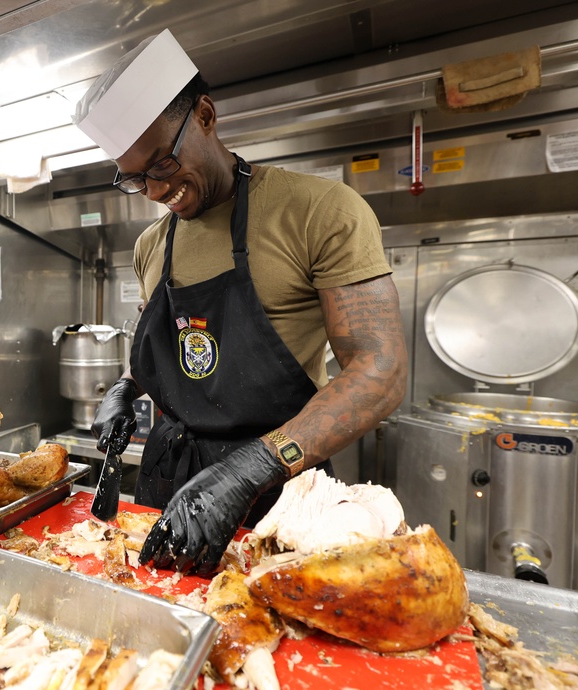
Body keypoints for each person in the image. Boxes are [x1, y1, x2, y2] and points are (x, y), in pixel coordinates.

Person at [72, 29, 408, 575]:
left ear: (205, 116)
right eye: (135, 180)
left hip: (276, 491)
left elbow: (381, 369)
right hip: (168, 481)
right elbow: (172, 353)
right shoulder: (150, 246)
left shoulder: (320, 211)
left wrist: (253, 466)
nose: (155, 192)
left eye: (161, 165)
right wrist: (125, 389)